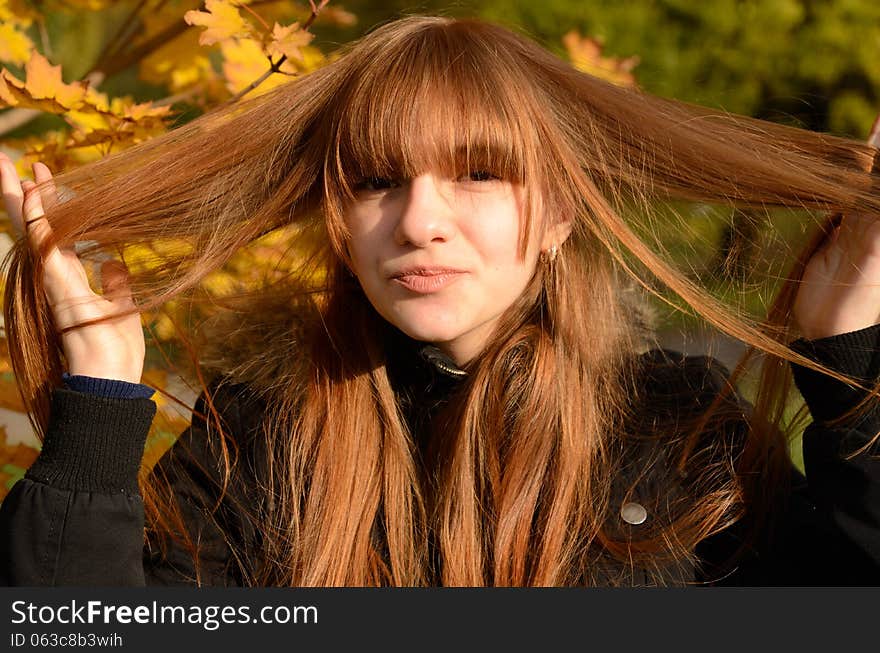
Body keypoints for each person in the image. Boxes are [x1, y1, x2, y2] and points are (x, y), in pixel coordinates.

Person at [0, 15, 878, 587]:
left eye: (479, 174)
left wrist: (851, 368)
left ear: (560, 214)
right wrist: (99, 409)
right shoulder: (263, 434)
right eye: (378, 180)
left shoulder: (680, 429)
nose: (420, 220)